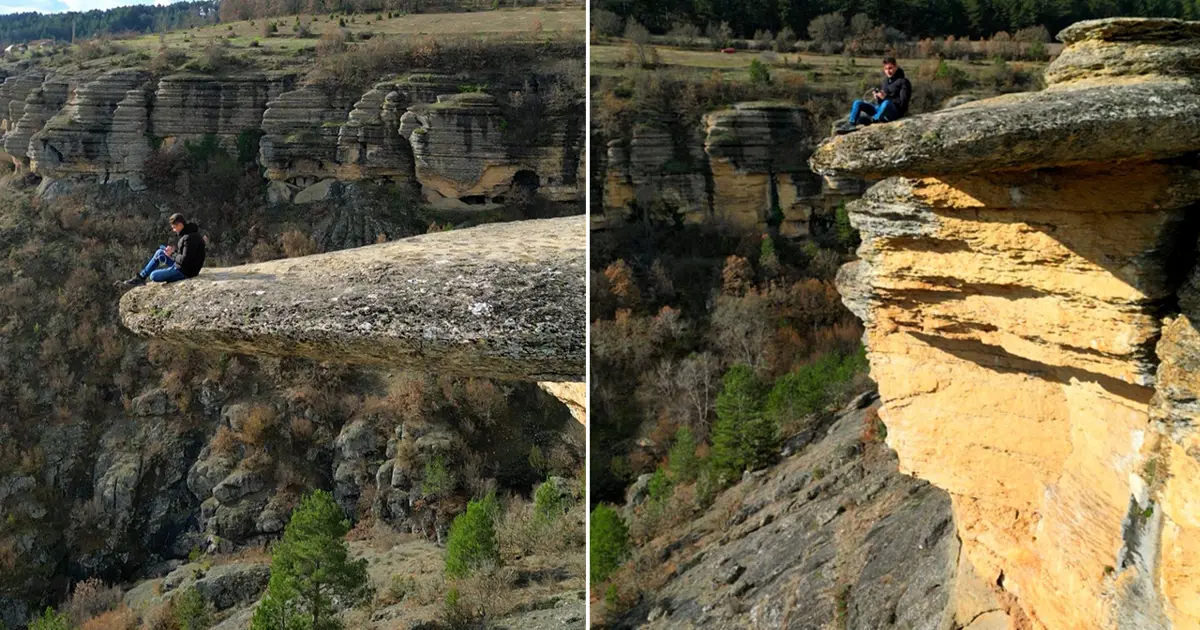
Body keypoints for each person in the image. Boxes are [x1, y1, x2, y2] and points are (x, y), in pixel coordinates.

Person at [835, 56, 912, 135]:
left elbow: (903, 103)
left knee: (887, 103)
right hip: (880, 109)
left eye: (890, 68)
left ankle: (872, 120)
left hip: (895, 112)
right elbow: (881, 102)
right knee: (858, 103)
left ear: (896, 67)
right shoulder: (885, 81)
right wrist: (878, 97)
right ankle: (851, 123)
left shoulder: (904, 82)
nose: (888, 71)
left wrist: (886, 97)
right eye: (886, 69)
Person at [124, 213, 206, 285]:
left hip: (186, 272)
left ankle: (170, 273)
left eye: (174, 227)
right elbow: (187, 254)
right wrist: (173, 252)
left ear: (180, 225)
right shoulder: (189, 234)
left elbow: (186, 260)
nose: (174, 230)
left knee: (153, 275)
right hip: (183, 266)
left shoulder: (189, 238)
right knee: (160, 252)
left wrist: (172, 254)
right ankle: (141, 277)